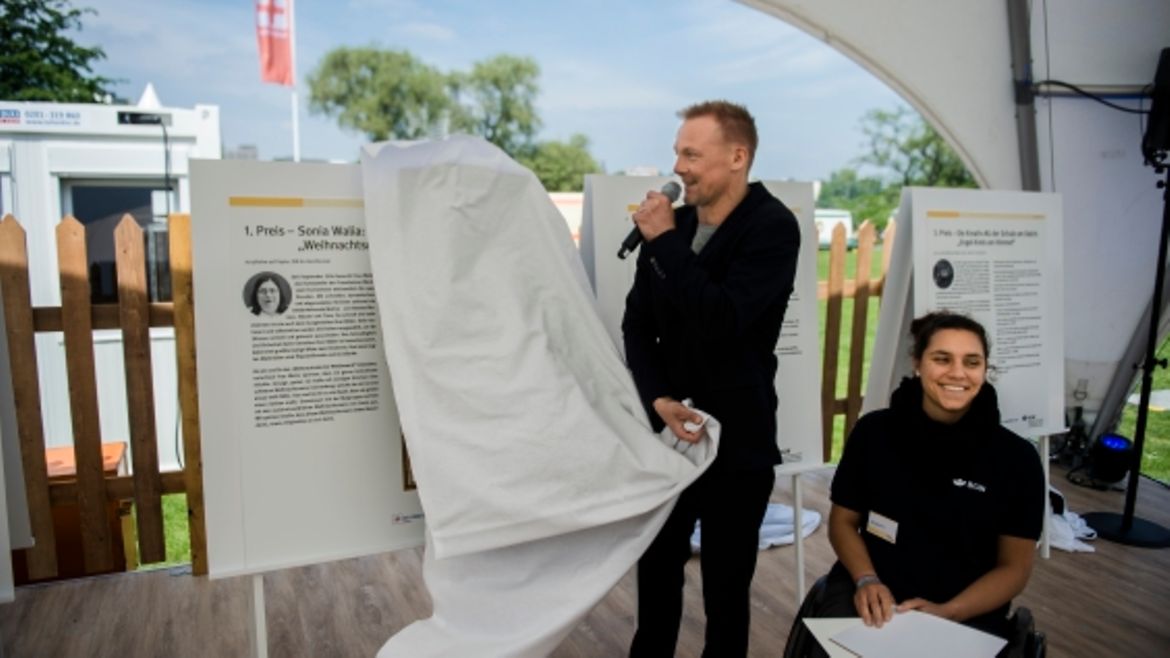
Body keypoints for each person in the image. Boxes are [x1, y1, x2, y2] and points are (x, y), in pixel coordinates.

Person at [622, 100, 800, 657]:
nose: (679, 167)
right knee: (655, 570)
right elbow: (637, 324)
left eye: (692, 154)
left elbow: (721, 320)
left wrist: (664, 242)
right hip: (671, 434)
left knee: (726, 587)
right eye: (678, 152)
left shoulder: (771, 228)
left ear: (738, 157)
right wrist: (658, 397)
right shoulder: (672, 232)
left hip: (738, 441)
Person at [813, 311, 1044, 654]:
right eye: (942, 359)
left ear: (985, 369)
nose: (957, 373)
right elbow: (843, 522)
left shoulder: (1017, 459)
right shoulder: (874, 433)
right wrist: (866, 579)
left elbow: (1014, 568)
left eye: (971, 362)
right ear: (917, 363)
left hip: (967, 608)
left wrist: (950, 612)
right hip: (870, 589)